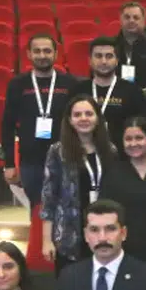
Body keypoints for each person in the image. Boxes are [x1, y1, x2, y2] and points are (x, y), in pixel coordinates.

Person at [41, 94, 117, 274]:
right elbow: (49, 197)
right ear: (69, 120)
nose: (83, 118)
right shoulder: (58, 151)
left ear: (97, 118)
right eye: (77, 115)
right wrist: (46, 240)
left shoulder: (110, 150)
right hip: (69, 235)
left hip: (103, 232)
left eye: (89, 114)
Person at [2, 34, 78, 208]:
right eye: (37, 51)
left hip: (65, 158)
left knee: (67, 210)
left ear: (56, 54)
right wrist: (9, 163)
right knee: (38, 210)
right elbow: (7, 125)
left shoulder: (70, 83)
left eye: (47, 51)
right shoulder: (17, 84)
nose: (42, 55)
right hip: (31, 161)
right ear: (28, 54)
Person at [100, 117, 146, 273]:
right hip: (126, 249)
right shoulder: (113, 173)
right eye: (128, 139)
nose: (133, 143)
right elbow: (105, 213)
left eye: (139, 138)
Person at [75, 36, 146, 146]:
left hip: (123, 152)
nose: (104, 61)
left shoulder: (133, 91)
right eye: (98, 56)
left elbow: (143, 126)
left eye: (109, 56)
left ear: (117, 61)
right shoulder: (78, 91)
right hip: (84, 151)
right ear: (89, 60)